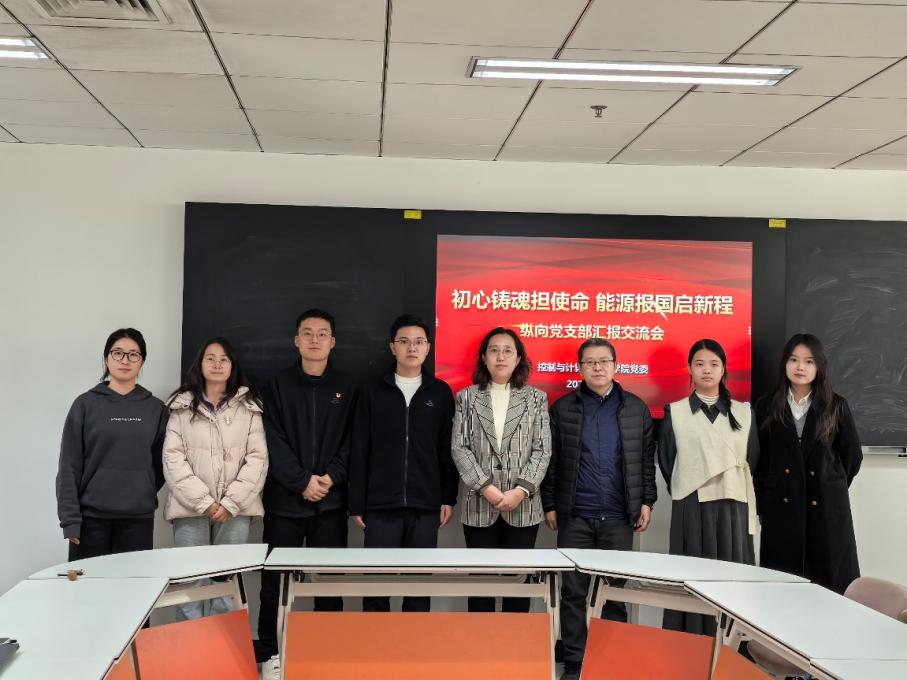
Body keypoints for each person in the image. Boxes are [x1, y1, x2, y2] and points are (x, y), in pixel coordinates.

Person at [542, 338, 656, 680]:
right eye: (589, 362)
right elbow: (552, 462)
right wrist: (550, 504)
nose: (597, 367)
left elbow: (645, 460)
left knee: (615, 592)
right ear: (579, 368)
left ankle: (611, 662)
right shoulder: (563, 408)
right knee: (573, 593)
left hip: (619, 516)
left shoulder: (636, 408)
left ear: (615, 366)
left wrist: (647, 501)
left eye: (604, 361)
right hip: (575, 514)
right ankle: (575, 663)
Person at [255, 309, 357, 665]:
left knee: (328, 583)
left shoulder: (348, 386)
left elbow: (354, 439)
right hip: (284, 503)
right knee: (275, 583)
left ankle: (326, 653)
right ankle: (271, 651)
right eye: (308, 333)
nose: (315, 339)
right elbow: (271, 440)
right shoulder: (276, 385)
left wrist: (331, 477)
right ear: (296, 340)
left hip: (330, 503)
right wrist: (302, 481)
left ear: (333, 341)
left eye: (322, 333)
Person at [349, 314, 457, 612]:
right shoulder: (372, 390)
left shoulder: (440, 392)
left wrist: (447, 497)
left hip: (425, 505)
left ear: (428, 348)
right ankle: (376, 642)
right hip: (380, 504)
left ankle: (414, 642)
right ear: (392, 347)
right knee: (376, 587)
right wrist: (357, 502)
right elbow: (359, 447)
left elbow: (447, 449)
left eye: (419, 342)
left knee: (418, 588)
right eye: (404, 341)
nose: (412, 348)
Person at [162, 337, 268, 620]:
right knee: (190, 582)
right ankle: (189, 646)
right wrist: (204, 502)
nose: (217, 364)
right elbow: (173, 459)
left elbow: (257, 459)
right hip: (190, 508)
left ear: (232, 366)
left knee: (227, 584)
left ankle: (221, 645)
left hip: (235, 510)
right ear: (200, 364)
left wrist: (231, 502)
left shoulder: (249, 407)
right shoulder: (181, 406)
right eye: (210, 358)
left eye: (224, 359)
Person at [658, 338, 758, 635]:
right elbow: (667, 460)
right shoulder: (675, 411)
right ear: (689, 369)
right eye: (699, 364)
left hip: (733, 503)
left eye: (714, 364)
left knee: (732, 574)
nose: (706, 370)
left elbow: (753, 458)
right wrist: (693, 478)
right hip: (691, 504)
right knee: (692, 572)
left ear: (724, 369)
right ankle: (689, 641)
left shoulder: (744, 412)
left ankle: (732, 644)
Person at [451, 327, 552, 613]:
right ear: (484, 357)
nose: (501, 356)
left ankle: (515, 642)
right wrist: (486, 487)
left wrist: (521, 490)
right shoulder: (467, 398)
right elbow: (459, 448)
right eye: (494, 350)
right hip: (479, 503)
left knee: (518, 586)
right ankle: (480, 642)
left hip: (523, 505)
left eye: (508, 351)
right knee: (480, 586)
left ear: (518, 358)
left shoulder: (535, 398)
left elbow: (542, 449)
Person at [755, 333, 862, 594]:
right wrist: (764, 499)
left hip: (826, 505)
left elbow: (852, 456)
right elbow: (761, 458)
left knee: (829, 582)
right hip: (781, 503)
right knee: (782, 583)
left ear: (819, 367)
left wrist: (829, 484)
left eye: (809, 361)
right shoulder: (767, 405)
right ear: (785, 364)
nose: (800, 367)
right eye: (793, 360)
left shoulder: (836, 405)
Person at [56, 328, 168, 561]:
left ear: (142, 362)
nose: (125, 360)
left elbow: (161, 465)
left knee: (133, 584)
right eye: (118, 353)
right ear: (107, 358)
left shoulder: (156, 409)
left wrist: (140, 488)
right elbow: (68, 466)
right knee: (90, 585)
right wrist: (70, 520)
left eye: (133, 354)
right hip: (90, 521)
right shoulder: (85, 404)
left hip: (138, 521)